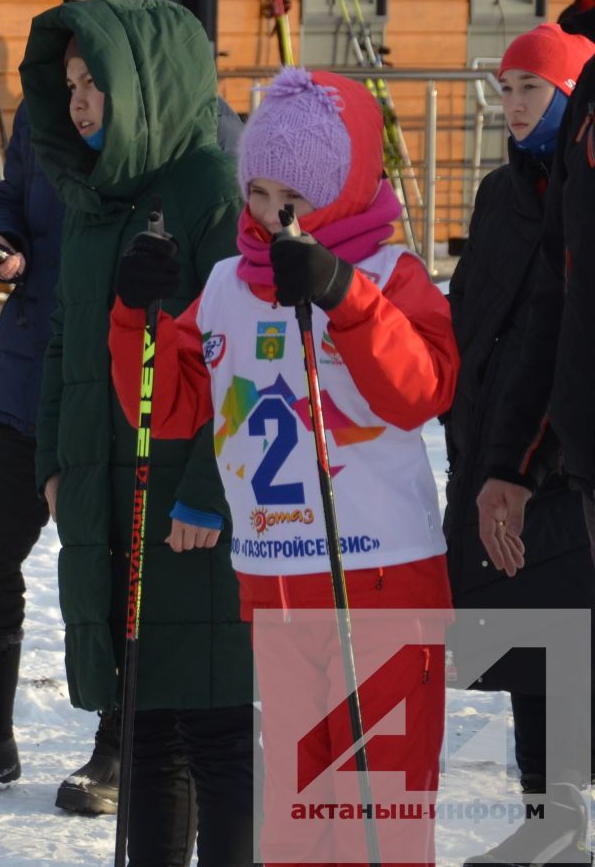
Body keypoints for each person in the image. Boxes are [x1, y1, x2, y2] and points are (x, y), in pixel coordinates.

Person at [0, 0, 241, 808]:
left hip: (140, 390)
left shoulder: (197, 138)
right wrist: (2, 235)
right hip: (41, 373)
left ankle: (123, 746)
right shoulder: (54, 113)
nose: (81, 59)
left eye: (102, 23)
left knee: (126, 573)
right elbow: (16, 192)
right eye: (71, 23)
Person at [110, 65, 457, 865]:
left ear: (341, 191)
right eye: (259, 197)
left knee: (382, 819)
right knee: (301, 826)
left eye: (292, 203)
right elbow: (163, 408)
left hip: (382, 584)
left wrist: (344, 296)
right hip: (279, 589)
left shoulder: (387, 274)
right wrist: (135, 315)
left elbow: (423, 391)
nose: (271, 219)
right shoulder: (231, 283)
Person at [27, 0, 253, 863]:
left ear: (146, 84)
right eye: (73, 84)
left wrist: (208, 492)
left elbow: (247, 362)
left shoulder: (209, 190)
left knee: (217, 725)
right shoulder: (96, 195)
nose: (80, 102)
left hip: (195, 509)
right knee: (149, 724)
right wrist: (55, 459)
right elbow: (64, 336)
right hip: (113, 490)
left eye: (97, 84)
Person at [445, 24, 595, 863]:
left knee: (563, 637)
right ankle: (549, 821)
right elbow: (477, 310)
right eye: (503, 90)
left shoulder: (574, 189)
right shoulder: (499, 194)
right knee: (523, 639)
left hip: (565, 458)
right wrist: (468, 422)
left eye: (529, 90)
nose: (511, 106)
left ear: (569, 96)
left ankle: (562, 818)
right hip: (498, 442)